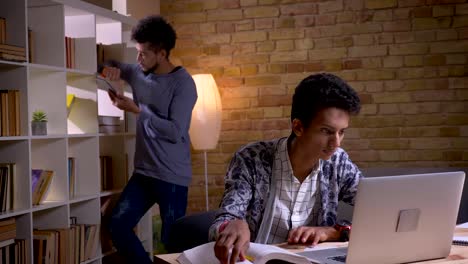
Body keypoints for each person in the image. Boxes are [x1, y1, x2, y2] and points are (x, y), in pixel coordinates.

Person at [209, 73, 363, 264]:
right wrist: (231, 224)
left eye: (341, 132)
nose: (336, 143)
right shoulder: (252, 159)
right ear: (298, 127)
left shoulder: (338, 163)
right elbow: (224, 219)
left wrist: (333, 232)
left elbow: (376, 213)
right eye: (326, 131)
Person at [102, 15, 197, 264]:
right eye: (137, 52)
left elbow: (175, 131)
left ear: (162, 53)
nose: (138, 59)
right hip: (143, 173)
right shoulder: (138, 72)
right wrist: (108, 67)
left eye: (143, 53)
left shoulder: (184, 84)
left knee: (171, 243)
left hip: (172, 177)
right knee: (118, 226)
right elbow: (109, 64)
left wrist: (138, 111)